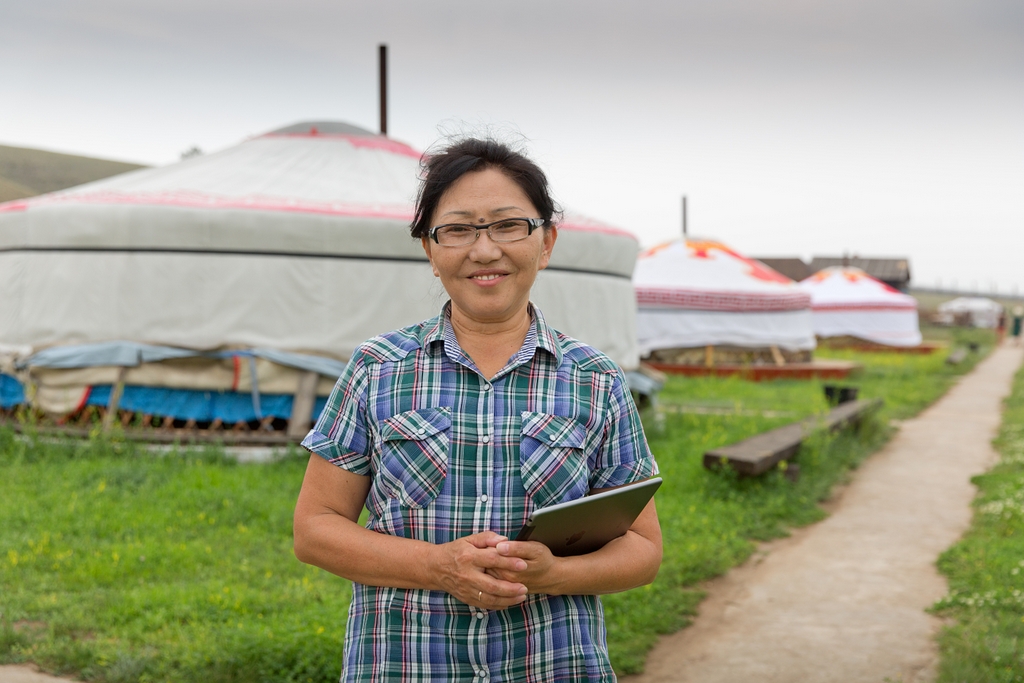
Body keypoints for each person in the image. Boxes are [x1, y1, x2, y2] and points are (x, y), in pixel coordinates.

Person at [293, 137, 662, 681]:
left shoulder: (596, 379)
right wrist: (439, 567)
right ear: (429, 249)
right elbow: (315, 528)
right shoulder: (377, 369)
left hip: (554, 665)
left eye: (508, 226)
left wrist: (551, 574)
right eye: (459, 229)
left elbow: (643, 550)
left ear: (546, 242)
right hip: (404, 666)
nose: (484, 251)